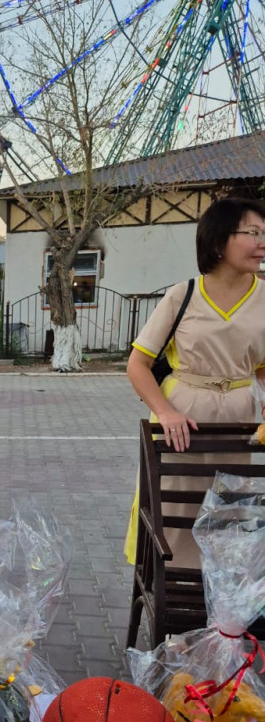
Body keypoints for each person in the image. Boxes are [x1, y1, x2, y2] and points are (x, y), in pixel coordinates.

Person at [124, 196, 265, 566]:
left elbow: (263, 366)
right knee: (175, 513)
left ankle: (223, 609)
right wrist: (165, 412)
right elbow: (138, 365)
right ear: (219, 242)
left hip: (239, 423)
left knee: (229, 514)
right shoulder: (183, 294)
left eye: (264, 233)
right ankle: (170, 603)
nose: (261, 242)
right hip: (182, 423)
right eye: (252, 232)